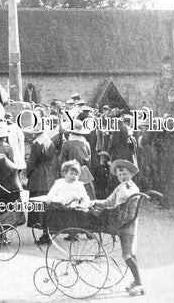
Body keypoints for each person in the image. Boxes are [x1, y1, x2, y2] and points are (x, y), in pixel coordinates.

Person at [91, 159, 144, 295]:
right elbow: (109, 201)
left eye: (124, 174)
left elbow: (127, 198)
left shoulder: (132, 188)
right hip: (119, 222)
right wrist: (93, 202)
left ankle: (139, 283)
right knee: (129, 253)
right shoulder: (120, 187)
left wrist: (125, 186)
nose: (122, 177)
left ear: (131, 174)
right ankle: (137, 281)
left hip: (128, 224)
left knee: (127, 254)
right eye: (119, 175)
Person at [26, 121, 58, 245]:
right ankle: (48, 231)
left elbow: (31, 163)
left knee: (38, 205)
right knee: (47, 205)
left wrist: (29, 175)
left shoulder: (36, 145)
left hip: (38, 176)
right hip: (49, 174)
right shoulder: (50, 142)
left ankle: (45, 234)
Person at [59, 120, 96, 199]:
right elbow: (89, 159)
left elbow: (62, 160)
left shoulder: (67, 143)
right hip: (84, 170)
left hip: (71, 171)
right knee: (87, 194)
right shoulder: (86, 143)